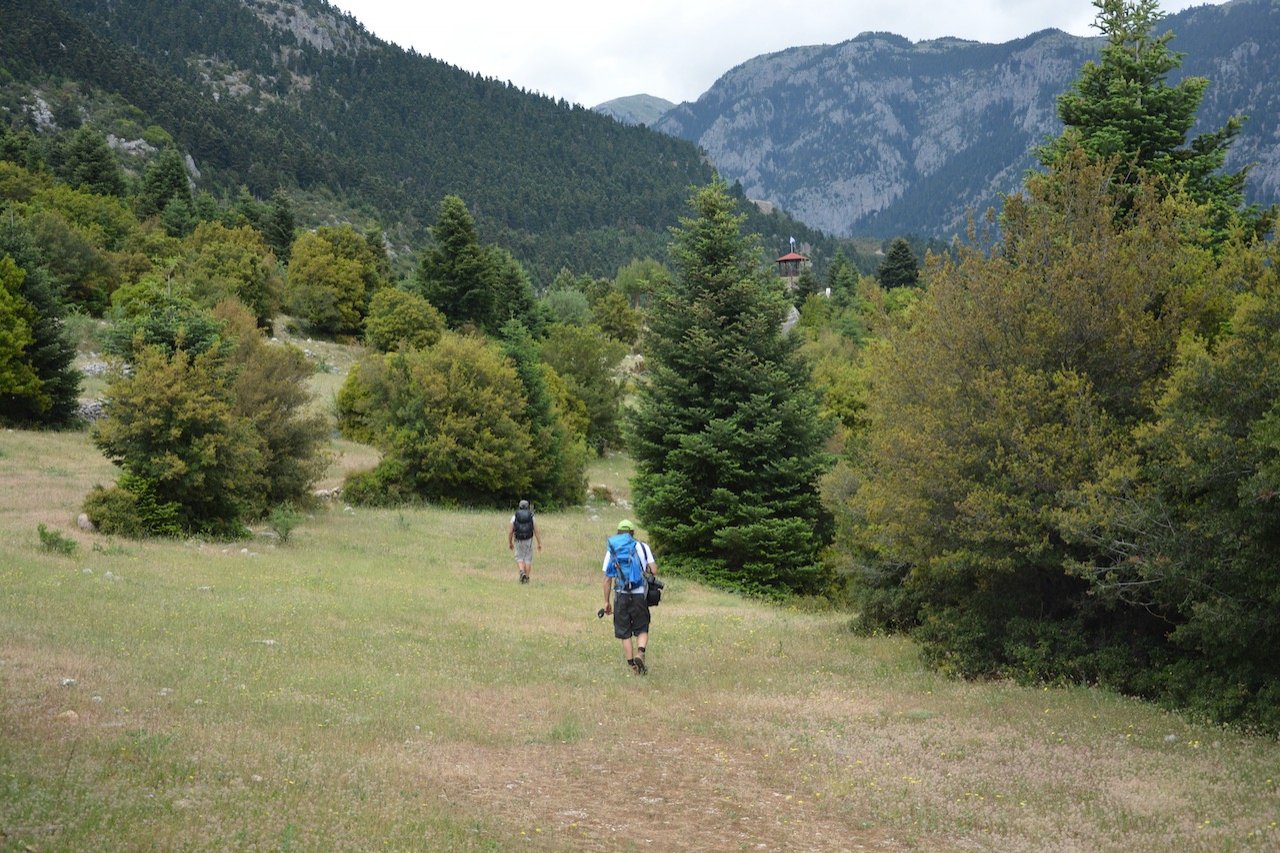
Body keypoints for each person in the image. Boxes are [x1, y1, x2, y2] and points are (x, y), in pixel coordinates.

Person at [601, 519, 658, 675]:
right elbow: (654, 569)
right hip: (639, 594)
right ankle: (640, 652)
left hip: (621, 594)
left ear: (618, 532)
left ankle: (632, 665)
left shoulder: (613, 548)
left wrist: (606, 601)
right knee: (642, 627)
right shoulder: (642, 546)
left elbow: (607, 578)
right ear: (633, 532)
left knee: (624, 631)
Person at [508, 499, 541, 583]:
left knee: (519, 557)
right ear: (528, 507)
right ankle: (527, 577)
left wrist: (510, 542)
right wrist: (539, 543)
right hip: (528, 539)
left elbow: (510, 531)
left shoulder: (515, 516)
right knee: (528, 558)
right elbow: (536, 530)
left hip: (518, 539)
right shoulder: (531, 516)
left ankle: (522, 572)